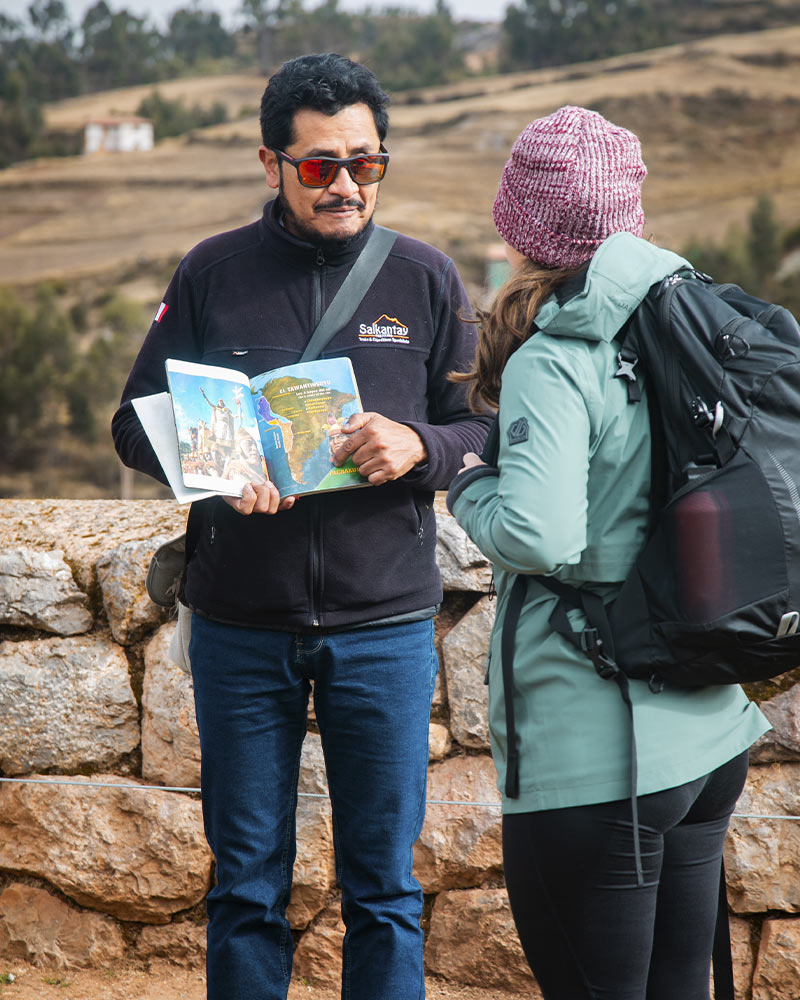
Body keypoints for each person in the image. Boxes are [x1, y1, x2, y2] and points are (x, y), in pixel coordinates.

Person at [112, 52, 489, 1000]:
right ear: (269, 163)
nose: (347, 183)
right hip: (241, 625)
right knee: (243, 888)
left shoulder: (427, 278)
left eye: (367, 162)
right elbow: (132, 424)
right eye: (321, 165)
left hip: (387, 628)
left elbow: (486, 425)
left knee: (387, 892)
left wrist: (418, 446)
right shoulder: (212, 272)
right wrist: (213, 467)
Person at [446, 106, 769, 1000]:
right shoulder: (692, 316)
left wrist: (469, 483)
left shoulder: (556, 359)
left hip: (599, 754)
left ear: (524, 226)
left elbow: (540, 535)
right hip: (709, 732)